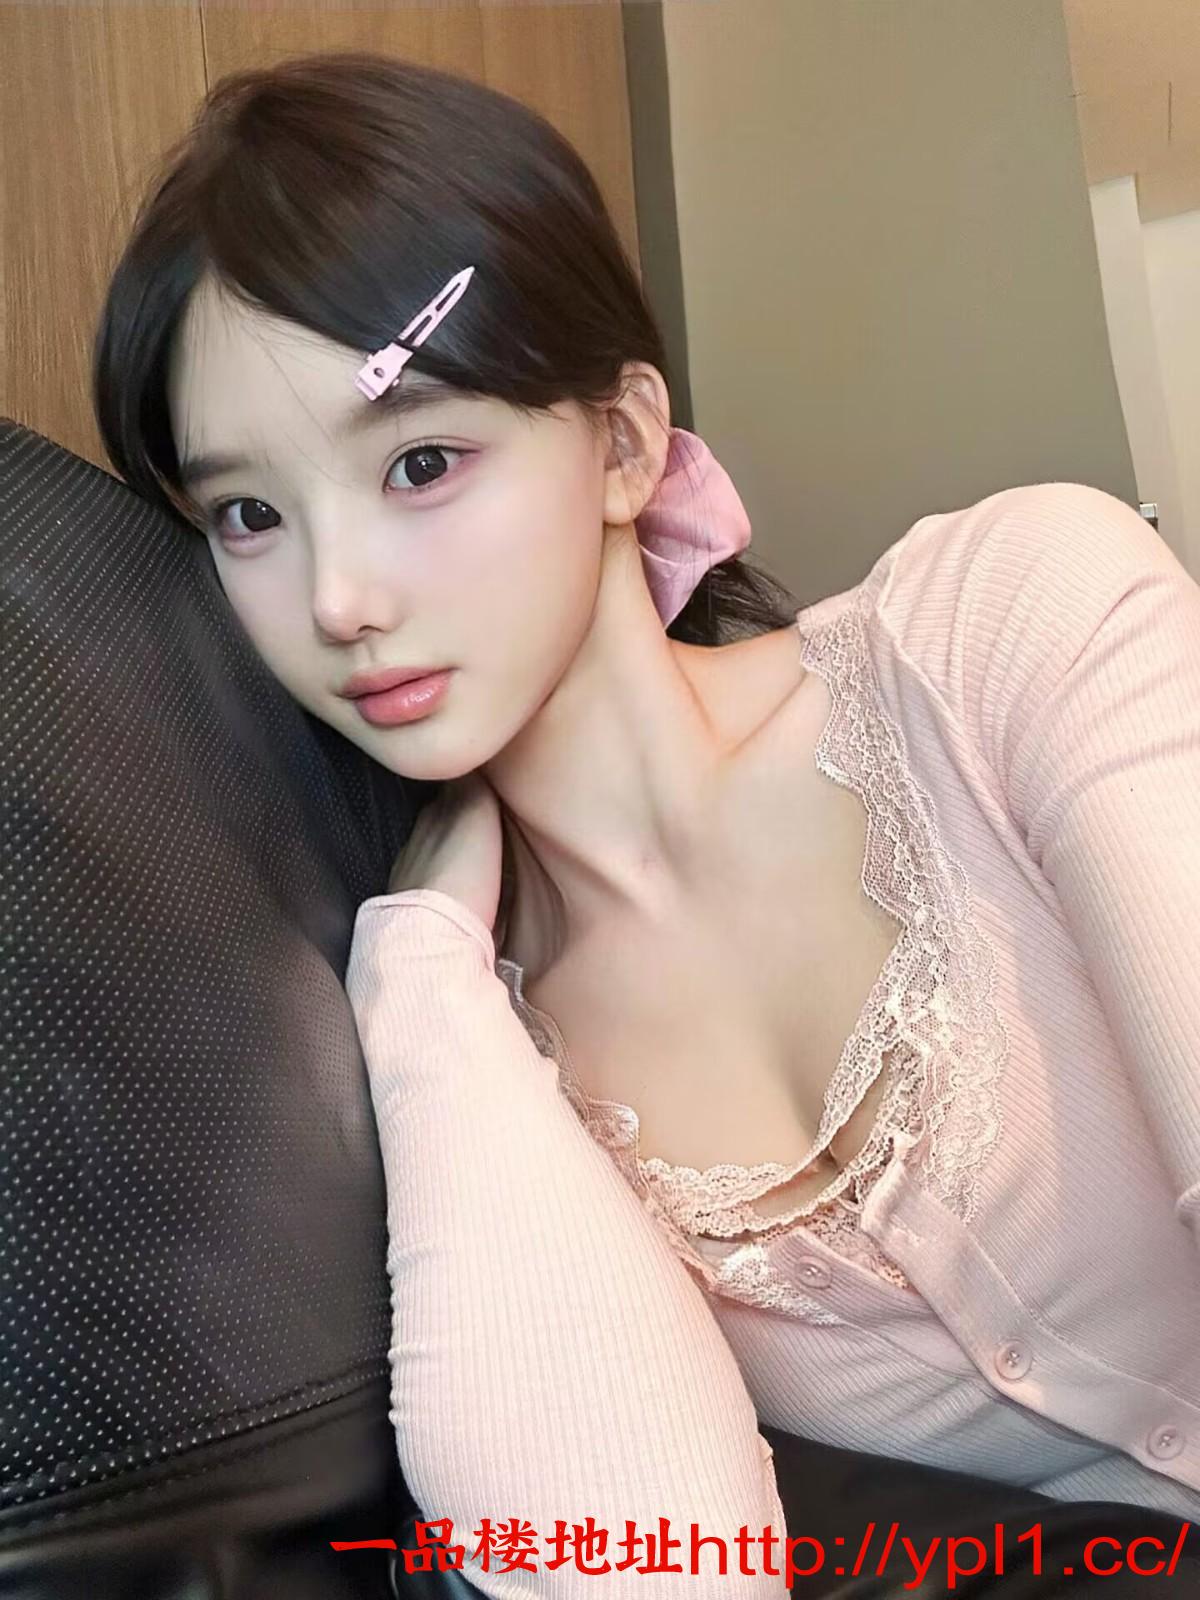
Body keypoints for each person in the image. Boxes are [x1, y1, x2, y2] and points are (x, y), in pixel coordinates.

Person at [92, 51, 1200, 1595]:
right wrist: (422, 971)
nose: (337, 598)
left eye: (422, 462)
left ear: (621, 443)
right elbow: (635, 1559)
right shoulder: (467, 1033)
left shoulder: (1012, 623)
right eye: (250, 516)